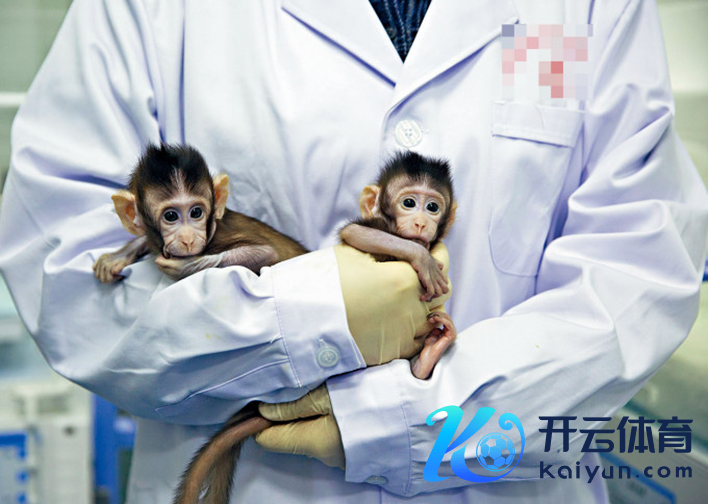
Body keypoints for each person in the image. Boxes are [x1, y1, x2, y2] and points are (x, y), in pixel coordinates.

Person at [1, 1, 706, 502]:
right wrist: (308, 316)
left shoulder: (589, 11)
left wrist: (412, 422)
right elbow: (64, 268)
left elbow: (635, 274)